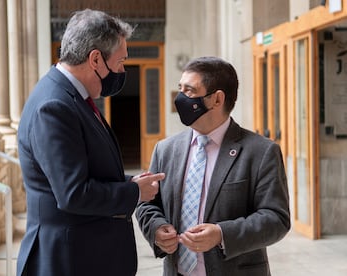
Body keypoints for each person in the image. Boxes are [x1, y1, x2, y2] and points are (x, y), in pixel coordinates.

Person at [16, 9, 165, 276]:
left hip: (85, 255)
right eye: (120, 62)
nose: (121, 71)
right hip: (69, 260)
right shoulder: (54, 105)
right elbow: (73, 194)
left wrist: (130, 182)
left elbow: (88, 169)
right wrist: (134, 193)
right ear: (95, 58)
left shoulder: (71, 96)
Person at [136, 56, 290, 276]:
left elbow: (276, 219)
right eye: (180, 89)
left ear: (217, 99)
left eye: (189, 91)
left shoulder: (261, 152)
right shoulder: (165, 149)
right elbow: (147, 204)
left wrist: (221, 234)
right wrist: (156, 228)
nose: (180, 98)